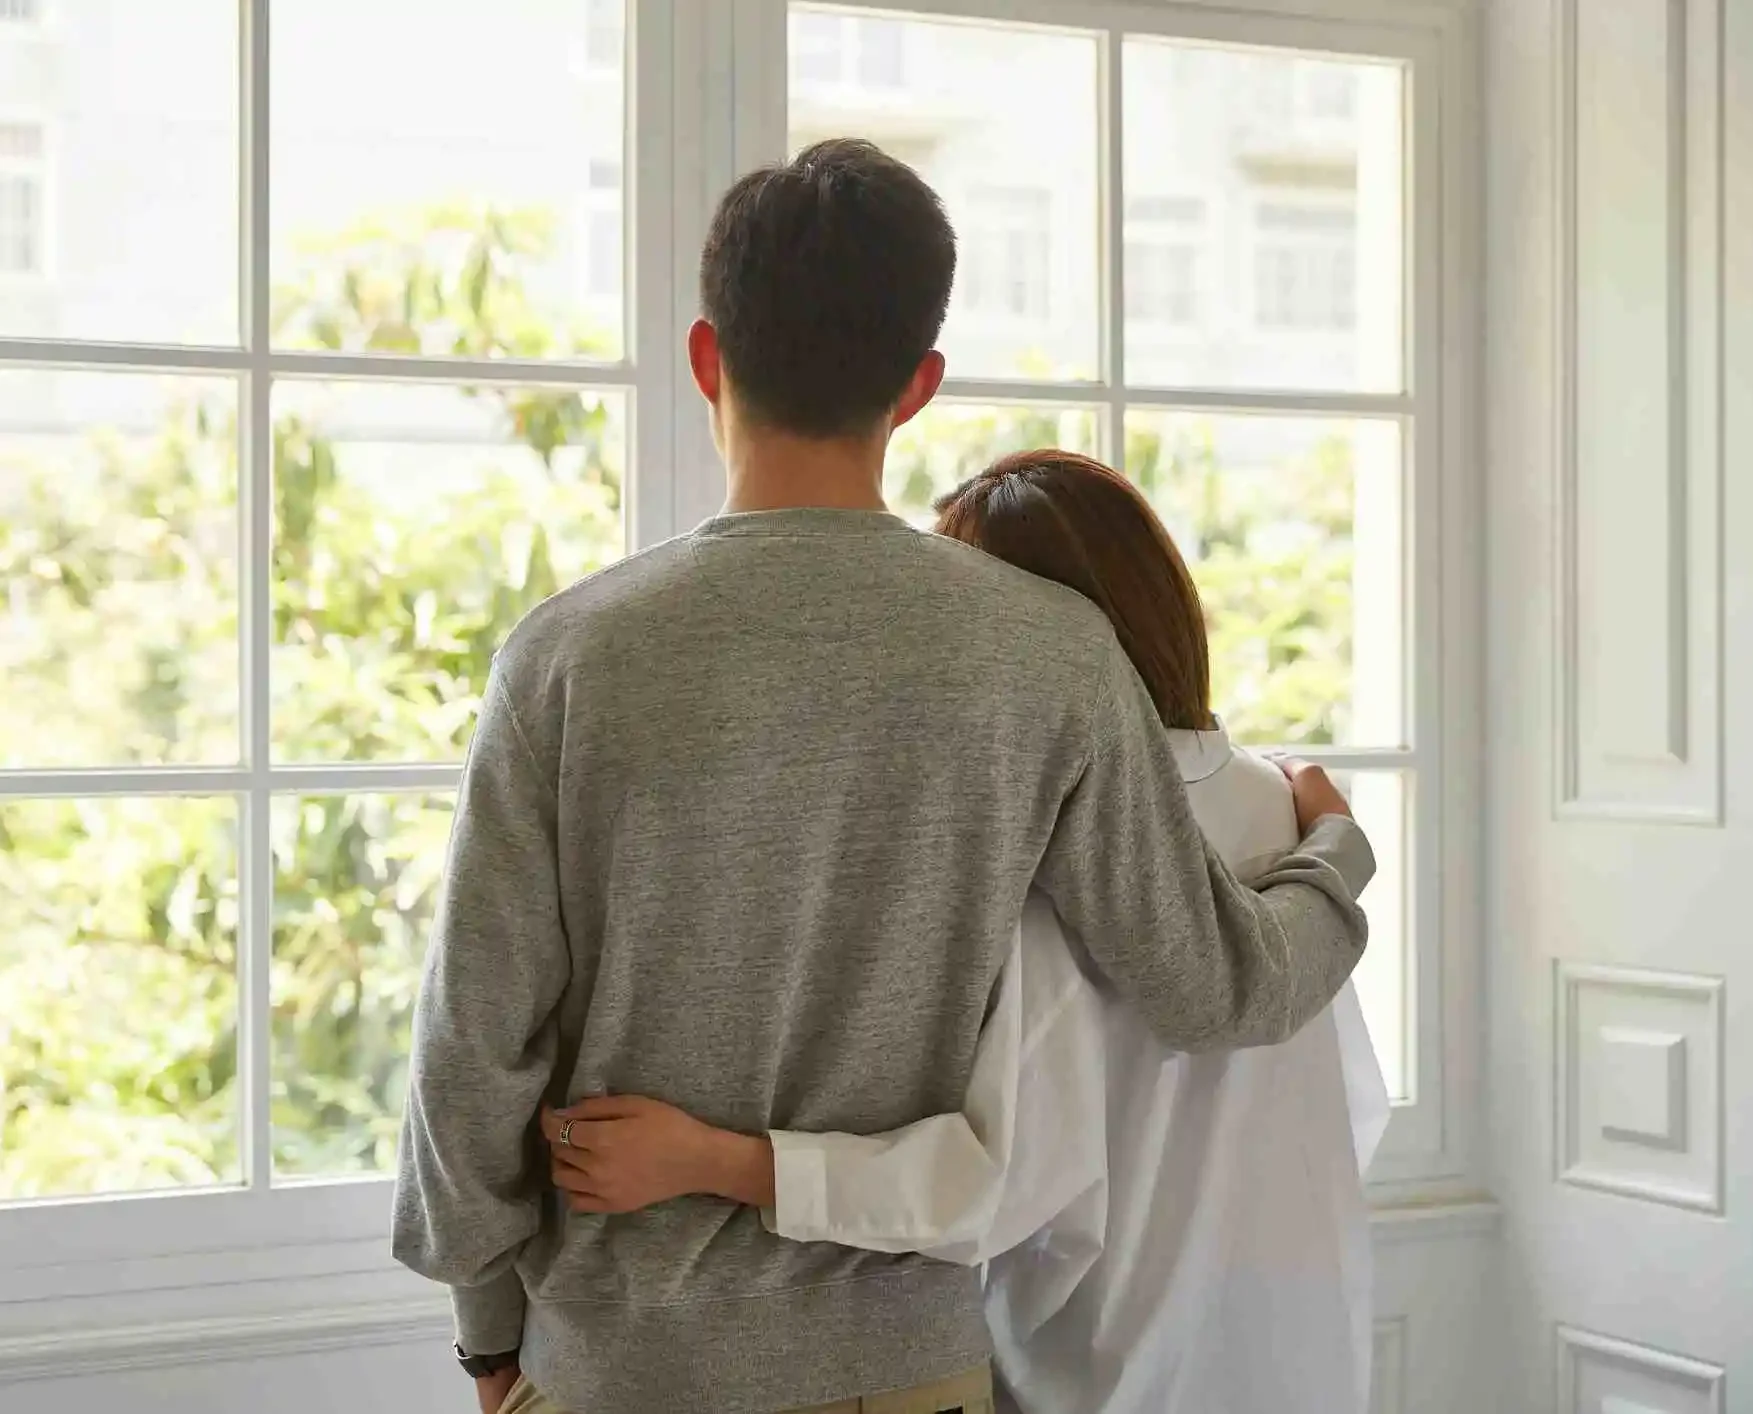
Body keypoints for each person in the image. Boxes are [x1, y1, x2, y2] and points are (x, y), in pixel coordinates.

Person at [391, 139, 1375, 1414]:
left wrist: (491, 1343)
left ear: (707, 357)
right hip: (906, 1378)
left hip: (622, 1367)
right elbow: (1215, 984)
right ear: (918, 386)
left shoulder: (568, 656)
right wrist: (1336, 856)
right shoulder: (1048, 655)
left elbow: (470, 1053)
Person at [537, 451, 1393, 1414]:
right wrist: (1339, 847)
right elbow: (1343, 1111)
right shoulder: (1285, 810)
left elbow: (986, 1184)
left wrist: (714, 1160)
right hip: (1301, 1351)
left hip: (1100, 1370)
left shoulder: (1037, 843)